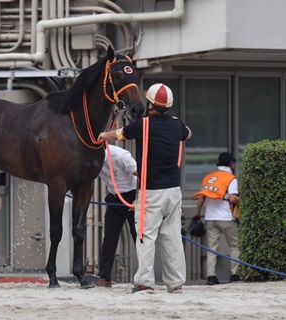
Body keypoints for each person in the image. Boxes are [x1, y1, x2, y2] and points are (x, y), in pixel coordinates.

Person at [99, 83, 192, 294]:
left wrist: (104, 135)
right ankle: (175, 283)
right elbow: (188, 133)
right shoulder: (177, 125)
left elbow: (119, 135)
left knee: (145, 236)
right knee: (172, 237)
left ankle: (144, 282)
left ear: (150, 104)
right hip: (174, 191)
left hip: (151, 191)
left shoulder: (143, 125)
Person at [193, 152, 240, 285]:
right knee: (235, 246)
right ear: (231, 163)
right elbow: (232, 198)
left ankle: (211, 276)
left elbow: (201, 197)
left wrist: (197, 212)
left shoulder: (208, 177)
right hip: (226, 217)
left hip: (210, 217)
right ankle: (235, 275)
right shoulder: (231, 178)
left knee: (211, 248)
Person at [94, 145, 138, 288]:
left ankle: (144, 276)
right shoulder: (91, 157)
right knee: (109, 239)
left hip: (132, 197)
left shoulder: (121, 156)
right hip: (114, 198)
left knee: (139, 238)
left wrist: (138, 199)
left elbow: (143, 177)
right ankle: (105, 277)